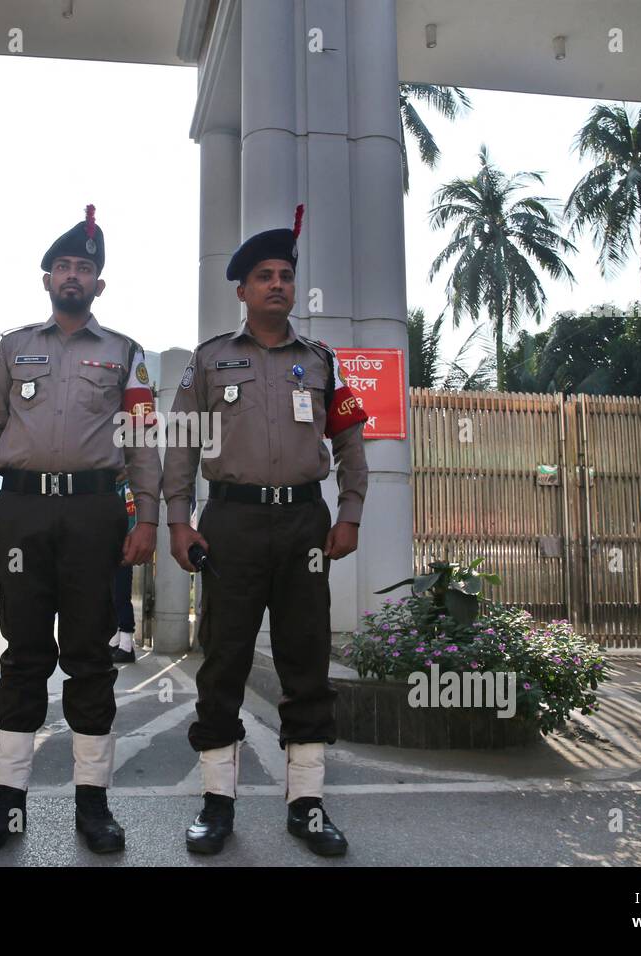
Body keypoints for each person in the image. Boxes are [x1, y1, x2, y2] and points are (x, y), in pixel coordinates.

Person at [162, 204, 368, 857]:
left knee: (306, 660)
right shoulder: (209, 362)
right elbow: (179, 450)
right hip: (232, 522)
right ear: (243, 290)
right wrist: (177, 519)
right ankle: (217, 804)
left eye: (286, 274)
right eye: (265, 276)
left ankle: (306, 804)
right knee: (223, 658)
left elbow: (352, 445)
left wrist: (351, 511)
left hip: (306, 520)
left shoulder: (324, 362)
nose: (278, 283)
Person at [0, 205, 161, 854]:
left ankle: (93, 805)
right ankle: (6, 801)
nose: (74, 275)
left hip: (92, 516)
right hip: (19, 513)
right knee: (23, 658)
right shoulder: (11, 347)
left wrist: (148, 518)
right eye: (65, 266)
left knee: (90, 659)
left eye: (86, 268)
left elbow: (142, 444)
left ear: (99, 285)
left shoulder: (124, 355)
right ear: (46, 278)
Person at [109, 473, 138, 664]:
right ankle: (117, 642)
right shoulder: (114, 486)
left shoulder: (126, 487)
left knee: (121, 596)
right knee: (112, 597)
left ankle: (127, 646)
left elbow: (130, 519)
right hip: (112, 549)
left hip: (122, 548)